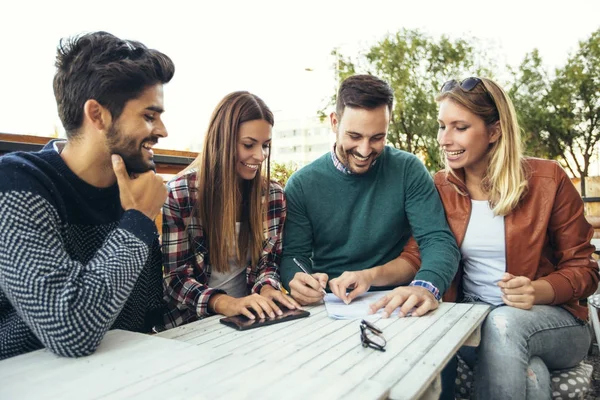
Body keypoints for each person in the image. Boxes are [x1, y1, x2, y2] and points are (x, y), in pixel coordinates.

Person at [420, 77, 599, 399]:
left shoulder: (549, 179)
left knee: (504, 322)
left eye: (459, 127)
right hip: (473, 318)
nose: (444, 139)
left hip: (557, 321)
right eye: (441, 126)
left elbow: (585, 270)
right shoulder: (439, 187)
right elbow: (417, 251)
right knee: (532, 377)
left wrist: (537, 290)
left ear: (494, 131)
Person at [0, 31, 175, 360]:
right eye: (149, 116)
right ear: (97, 114)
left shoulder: (132, 185)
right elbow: (69, 330)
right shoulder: (16, 183)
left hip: (119, 374)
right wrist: (137, 220)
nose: (163, 131)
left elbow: (144, 315)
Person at [280, 74, 460, 317]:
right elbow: (294, 256)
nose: (365, 150)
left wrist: (425, 287)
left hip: (396, 305)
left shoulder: (408, 170)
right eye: (354, 136)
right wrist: (297, 279)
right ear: (334, 122)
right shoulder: (301, 185)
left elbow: (437, 240)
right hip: (328, 307)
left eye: (377, 138)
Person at [161, 91, 300, 328]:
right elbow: (175, 280)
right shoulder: (180, 193)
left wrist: (266, 288)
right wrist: (226, 303)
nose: (260, 156)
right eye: (248, 144)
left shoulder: (273, 196)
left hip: (252, 321)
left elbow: (268, 265)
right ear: (222, 141)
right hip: (191, 325)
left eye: (265, 145)